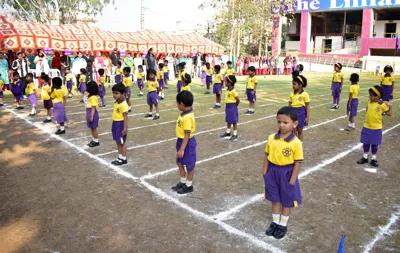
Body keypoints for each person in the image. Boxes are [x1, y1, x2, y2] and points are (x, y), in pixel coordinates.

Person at [263, 106, 303, 240]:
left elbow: (297, 162)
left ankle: (282, 225)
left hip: (287, 173)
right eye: (279, 122)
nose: (282, 125)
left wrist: (292, 179)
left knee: (286, 201)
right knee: (275, 199)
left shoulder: (296, 143)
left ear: (294, 124)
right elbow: (267, 154)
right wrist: (265, 171)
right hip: (272, 172)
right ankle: (275, 223)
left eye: (286, 122)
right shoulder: (271, 138)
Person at [357, 86, 392, 167]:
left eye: (372, 95)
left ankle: (373, 158)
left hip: (376, 128)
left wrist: (390, 106)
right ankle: (365, 157)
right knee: (366, 143)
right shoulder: (369, 102)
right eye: (370, 95)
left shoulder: (382, 104)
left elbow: (389, 114)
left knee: (374, 144)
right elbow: (367, 109)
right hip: (367, 126)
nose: (370, 97)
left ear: (378, 96)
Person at [171, 90, 197, 194]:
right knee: (179, 162)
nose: (177, 105)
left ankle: (189, 184)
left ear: (182, 104)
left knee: (189, 165)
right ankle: (183, 182)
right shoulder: (183, 114)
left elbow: (187, 134)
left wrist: (182, 149)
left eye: (177, 103)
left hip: (187, 143)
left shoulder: (187, 117)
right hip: (180, 141)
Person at [111, 82, 129, 165]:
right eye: (113, 93)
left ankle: (123, 158)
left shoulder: (123, 104)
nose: (114, 95)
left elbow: (125, 117)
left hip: (120, 125)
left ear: (122, 94)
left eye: (117, 93)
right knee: (118, 141)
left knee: (122, 142)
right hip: (115, 124)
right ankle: (119, 157)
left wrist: (125, 128)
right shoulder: (116, 103)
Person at [289, 76, 310, 141]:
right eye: (292, 84)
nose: (293, 85)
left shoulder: (305, 94)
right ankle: (295, 145)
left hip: (301, 113)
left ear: (300, 85)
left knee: (300, 130)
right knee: (294, 130)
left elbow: (307, 106)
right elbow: (289, 105)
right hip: (293, 113)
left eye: (294, 84)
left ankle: (300, 145)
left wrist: (307, 117)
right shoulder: (291, 94)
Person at [220, 75, 240, 141]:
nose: (225, 83)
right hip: (228, 107)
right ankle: (228, 132)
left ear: (230, 83)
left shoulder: (233, 91)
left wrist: (235, 106)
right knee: (228, 119)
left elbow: (238, 99)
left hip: (232, 107)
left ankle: (235, 134)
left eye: (226, 81)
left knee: (234, 121)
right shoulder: (227, 90)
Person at [85, 81, 100, 147]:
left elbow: (93, 107)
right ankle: (94, 139)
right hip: (89, 111)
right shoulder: (90, 96)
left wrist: (91, 116)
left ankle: (96, 141)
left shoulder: (93, 97)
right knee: (92, 128)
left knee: (94, 128)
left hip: (92, 112)